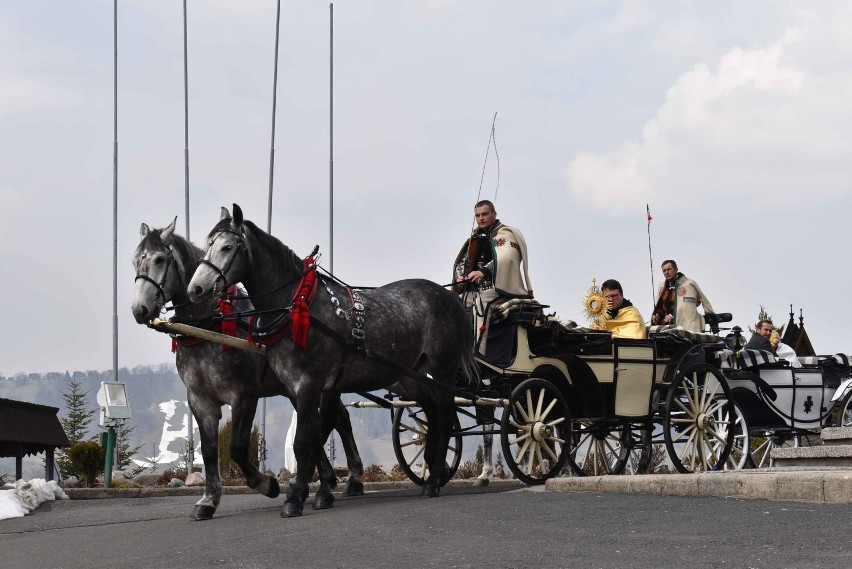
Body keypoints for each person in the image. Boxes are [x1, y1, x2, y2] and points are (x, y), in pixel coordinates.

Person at [453, 200, 533, 357]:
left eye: (484, 214)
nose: (481, 218)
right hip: (474, 289)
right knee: (452, 303)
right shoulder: (476, 237)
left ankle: (477, 352)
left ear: (494, 214)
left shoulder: (506, 233)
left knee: (481, 304)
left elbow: (507, 257)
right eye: (477, 215)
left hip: (499, 289)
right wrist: (460, 275)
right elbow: (464, 260)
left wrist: (483, 272)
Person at [650, 259, 715, 333]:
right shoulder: (662, 286)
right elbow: (661, 306)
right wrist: (657, 316)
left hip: (687, 327)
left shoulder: (689, 284)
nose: (666, 272)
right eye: (664, 271)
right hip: (666, 328)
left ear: (676, 269)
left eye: (669, 269)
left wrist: (712, 319)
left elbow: (688, 306)